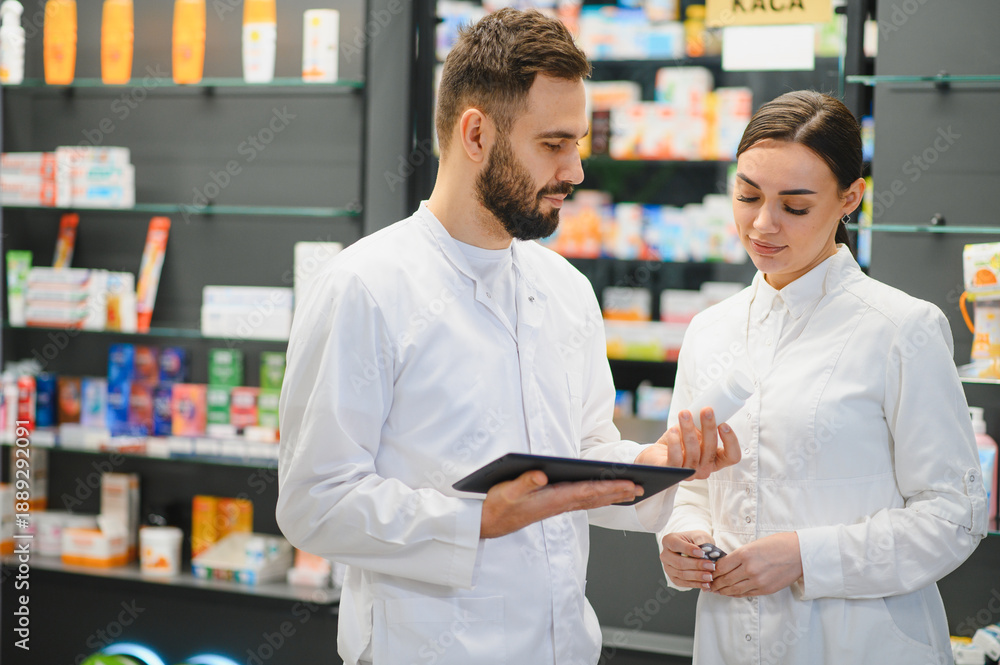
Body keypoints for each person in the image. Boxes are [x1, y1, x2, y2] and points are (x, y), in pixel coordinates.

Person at [276, 9, 740, 665]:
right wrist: (476, 520)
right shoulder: (366, 287)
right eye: (553, 145)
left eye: (577, 144)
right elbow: (313, 502)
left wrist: (654, 469)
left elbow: (583, 459)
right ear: (475, 134)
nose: (576, 172)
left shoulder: (565, 290)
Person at [658, 90, 988, 664]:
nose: (763, 223)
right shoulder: (710, 330)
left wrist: (807, 557)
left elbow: (953, 515)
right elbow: (690, 484)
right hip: (731, 638)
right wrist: (681, 538)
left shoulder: (900, 329)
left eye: (796, 205)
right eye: (747, 195)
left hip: (861, 643)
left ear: (850, 199)